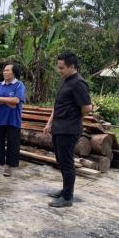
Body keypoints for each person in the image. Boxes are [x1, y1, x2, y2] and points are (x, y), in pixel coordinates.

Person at [43, 51, 92, 208]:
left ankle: (67, 197)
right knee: (61, 160)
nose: (59, 71)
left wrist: (73, 117)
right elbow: (58, 105)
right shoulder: (65, 80)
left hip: (69, 129)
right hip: (59, 128)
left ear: (72, 67)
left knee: (67, 162)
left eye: (62, 68)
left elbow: (87, 108)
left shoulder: (78, 83)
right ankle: (65, 190)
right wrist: (50, 123)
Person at [0, 63, 26, 177]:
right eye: (4, 70)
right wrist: (6, 101)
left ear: (14, 73)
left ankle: (9, 166)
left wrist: (0, 99)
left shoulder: (19, 85)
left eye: (7, 70)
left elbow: (16, 100)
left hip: (13, 119)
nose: (5, 72)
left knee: (12, 143)